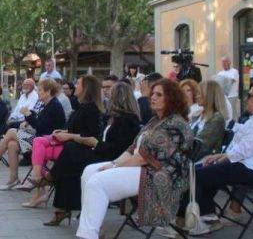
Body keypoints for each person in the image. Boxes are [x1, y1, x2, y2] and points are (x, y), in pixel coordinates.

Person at [76, 79, 193, 239]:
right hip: (140, 166)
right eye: (153, 93)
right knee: (90, 171)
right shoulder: (155, 120)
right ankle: (96, 227)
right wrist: (113, 163)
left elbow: (144, 157)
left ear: (171, 98)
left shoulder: (175, 124)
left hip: (159, 174)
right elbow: (132, 149)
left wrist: (115, 166)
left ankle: (88, 235)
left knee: (97, 182)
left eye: (159, 95)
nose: (153, 97)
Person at [182, 82, 253, 235]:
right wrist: (219, 157)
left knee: (199, 173)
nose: (246, 98)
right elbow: (241, 147)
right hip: (246, 164)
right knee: (200, 169)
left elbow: (245, 149)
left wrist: (221, 158)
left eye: (250, 95)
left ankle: (200, 217)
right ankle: (205, 216)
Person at [44, 82, 140, 226]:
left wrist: (95, 143)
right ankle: (62, 206)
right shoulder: (115, 117)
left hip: (114, 159)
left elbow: (117, 149)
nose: (105, 93)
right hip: (104, 152)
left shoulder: (128, 120)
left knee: (71, 153)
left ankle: (53, 182)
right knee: (71, 158)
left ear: (118, 97)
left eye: (110, 91)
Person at [15, 75, 103, 207]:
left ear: (86, 88)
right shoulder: (79, 106)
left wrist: (68, 135)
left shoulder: (85, 108)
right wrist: (65, 132)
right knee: (22, 141)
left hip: (74, 148)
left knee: (34, 143)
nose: (75, 86)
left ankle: (37, 180)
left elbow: (91, 135)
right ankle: (37, 184)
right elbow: (73, 128)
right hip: (60, 141)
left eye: (78, 84)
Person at [0, 79, 65, 189]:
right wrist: (28, 119)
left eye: (40, 90)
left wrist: (28, 115)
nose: (38, 92)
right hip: (40, 140)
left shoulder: (54, 106)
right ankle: (13, 180)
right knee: (12, 144)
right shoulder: (48, 104)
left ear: (48, 92)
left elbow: (42, 128)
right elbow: (40, 123)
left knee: (11, 131)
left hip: (46, 143)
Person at [190, 80, 228, 161]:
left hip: (204, 162)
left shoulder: (216, 119)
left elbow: (200, 145)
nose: (196, 96)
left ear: (208, 95)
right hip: (191, 158)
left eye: (199, 93)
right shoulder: (198, 115)